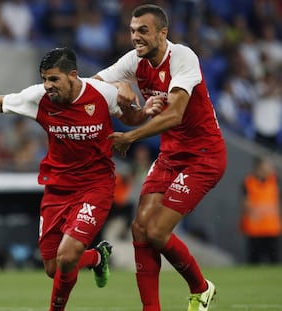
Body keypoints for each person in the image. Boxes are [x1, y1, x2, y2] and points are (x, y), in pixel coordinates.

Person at [0, 47, 162, 311]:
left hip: (96, 186)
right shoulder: (39, 97)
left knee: (67, 256)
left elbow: (131, 117)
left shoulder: (102, 93)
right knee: (53, 268)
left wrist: (144, 108)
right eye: (44, 79)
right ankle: (96, 258)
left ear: (73, 75)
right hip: (57, 189)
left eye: (53, 79)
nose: (47, 85)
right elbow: (1, 102)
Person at [93, 4, 227, 311]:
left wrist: (130, 136)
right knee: (139, 228)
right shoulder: (134, 61)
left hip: (203, 155)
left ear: (162, 33)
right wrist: (117, 86)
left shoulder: (183, 57)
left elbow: (176, 114)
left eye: (143, 31)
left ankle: (201, 287)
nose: (135, 37)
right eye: (132, 31)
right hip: (171, 154)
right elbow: (94, 84)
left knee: (156, 231)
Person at [240, 156, 282, 264]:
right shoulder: (248, 182)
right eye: (267, 165)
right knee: (254, 262)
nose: (269, 168)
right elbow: (245, 204)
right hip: (255, 229)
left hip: (271, 228)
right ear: (258, 166)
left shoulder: (275, 180)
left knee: (274, 262)